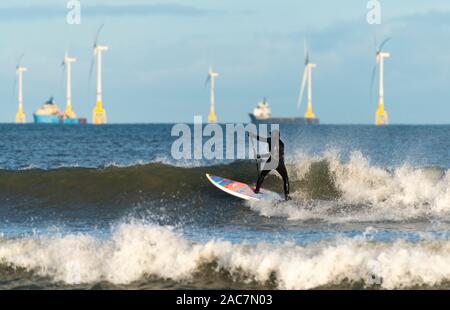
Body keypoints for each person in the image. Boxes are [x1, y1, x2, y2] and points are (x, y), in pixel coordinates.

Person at [249, 129, 290, 201]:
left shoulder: (271, 140)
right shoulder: (282, 144)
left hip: (272, 161)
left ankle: (257, 190)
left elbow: (261, 139)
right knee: (285, 178)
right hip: (280, 163)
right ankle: (286, 196)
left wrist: (252, 135)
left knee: (262, 175)